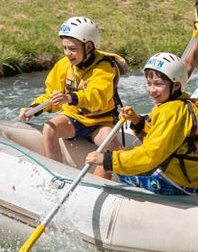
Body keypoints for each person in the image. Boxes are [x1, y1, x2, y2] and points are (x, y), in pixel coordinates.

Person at [86, 53, 198, 195]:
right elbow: (158, 138)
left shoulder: (172, 112)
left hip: (172, 183)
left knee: (106, 162)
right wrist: (137, 121)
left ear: (175, 85)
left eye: (158, 84)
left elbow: (150, 156)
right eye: (149, 83)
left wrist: (108, 160)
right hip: (186, 178)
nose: (151, 90)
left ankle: (90, 198)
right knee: (114, 159)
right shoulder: (180, 104)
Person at [19, 16, 125, 171]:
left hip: (100, 122)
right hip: (74, 118)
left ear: (88, 47)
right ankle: (57, 174)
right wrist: (34, 108)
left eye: (73, 49)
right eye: (65, 48)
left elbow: (97, 97)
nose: (68, 53)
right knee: (50, 128)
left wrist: (70, 97)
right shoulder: (63, 65)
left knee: (113, 147)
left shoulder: (104, 67)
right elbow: (51, 95)